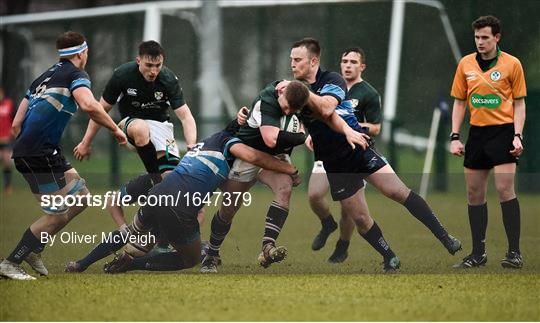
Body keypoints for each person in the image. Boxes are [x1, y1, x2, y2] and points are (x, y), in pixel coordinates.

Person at [288, 38, 462, 272]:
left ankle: (445, 237)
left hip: (358, 148)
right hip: (334, 162)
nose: (292, 64)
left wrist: (303, 95)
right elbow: (292, 121)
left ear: (313, 61)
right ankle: (389, 256)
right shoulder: (295, 93)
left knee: (397, 191)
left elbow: (327, 108)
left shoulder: (332, 80)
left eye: (297, 59)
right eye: (291, 60)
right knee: (359, 219)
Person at [65, 119, 300, 274]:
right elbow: (255, 158)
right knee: (192, 258)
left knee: (132, 232)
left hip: (157, 197)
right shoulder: (229, 144)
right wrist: (289, 169)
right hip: (180, 209)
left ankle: (81, 264)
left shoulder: (204, 144)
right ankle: (133, 264)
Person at [0, 31, 127, 280]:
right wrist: (115, 129)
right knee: (57, 213)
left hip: (41, 151)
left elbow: (16, 125)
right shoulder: (76, 75)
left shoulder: (42, 78)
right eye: (87, 52)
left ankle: (34, 248)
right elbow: (89, 105)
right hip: (40, 153)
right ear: (81, 53)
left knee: (81, 198)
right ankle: (11, 261)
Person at [73, 40, 197, 228]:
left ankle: (154, 237)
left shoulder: (168, 79)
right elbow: (100, 110)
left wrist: (191, 145)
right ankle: (155, 179)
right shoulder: (123, 75)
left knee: (172, 183)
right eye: (149, 65)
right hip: (130, 124)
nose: (153, 71)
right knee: (141, 130)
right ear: (138, 60)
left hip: (161, 128)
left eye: (158, 65)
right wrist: (85, 142)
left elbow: (186, 116)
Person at [200, 80, 310, 273]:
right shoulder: (266, 101)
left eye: (292, 110)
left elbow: (304, 126)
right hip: (248, 155)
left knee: (284, 188)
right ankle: (212, 253)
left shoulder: (300, 99)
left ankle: (268, 248)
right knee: (229, 209)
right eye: (285, 107)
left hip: (275, 158)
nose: (286, 112)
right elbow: (270, 139)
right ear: (281, 92)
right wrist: (304, 138)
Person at [450, 16, 526, 269]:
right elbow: (459, 102)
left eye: (485, 37)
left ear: (497, 38)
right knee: (474, 194)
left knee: (505, 190)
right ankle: (477, 253)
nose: (480, 42)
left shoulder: (512, 64)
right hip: (477, 134)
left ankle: (514, 252)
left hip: (503, 133)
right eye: (477, 37)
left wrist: (517, 135)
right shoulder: (466, 64)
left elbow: (519, 103)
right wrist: (455, 136)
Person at [307, 47, 384, 263]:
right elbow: (313, 112)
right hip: (328, 152)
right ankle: (326, 223)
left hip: (352, 152)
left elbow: (376, 127)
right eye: (344, 61)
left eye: (352, 62)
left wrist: (349, 125)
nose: (347, 65)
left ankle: (343, 244)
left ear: (362, 66)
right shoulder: (328, 85)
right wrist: (311, 134)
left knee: (347, 208)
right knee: (314, 194)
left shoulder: (368, 93)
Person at [0, 86, 15, 195]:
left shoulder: (9, 104)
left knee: (7, 162)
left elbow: (14, 119)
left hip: (6, 140)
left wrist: (11, 132)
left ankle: (7, 186)